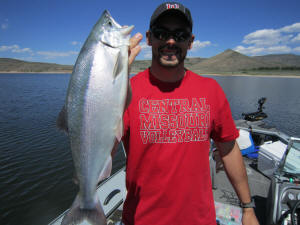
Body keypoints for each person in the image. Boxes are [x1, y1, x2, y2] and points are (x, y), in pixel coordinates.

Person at [124, 2, 260, 225]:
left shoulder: (210, 90)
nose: (170, 41)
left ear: (190, 42)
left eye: (180, 35)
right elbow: (101, 152)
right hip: (141, 219)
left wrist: (247, 208)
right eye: (162, 33)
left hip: (199, 219)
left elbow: (228, 149)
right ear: (149, 38)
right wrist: (109, 83)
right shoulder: (126, 92)